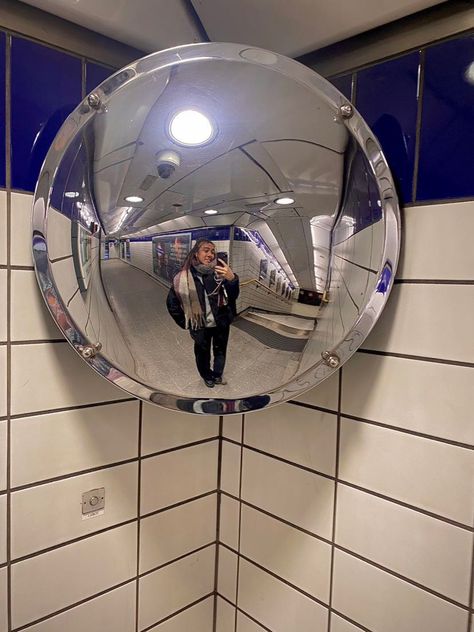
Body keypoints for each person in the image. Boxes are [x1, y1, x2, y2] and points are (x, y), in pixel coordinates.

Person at [166, 239, 239, 387]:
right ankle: (207, 376)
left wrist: (232, 280)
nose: (210, 254)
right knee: (202, 353)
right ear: (196, 253)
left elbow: (233, 296)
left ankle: (218, 375)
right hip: (200, 325)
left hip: (221, 322)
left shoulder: (220, 272)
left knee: (220, 351)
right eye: (206, 250)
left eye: (213, 251)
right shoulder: (184, 277)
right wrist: (186, 322)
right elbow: (172, 304)